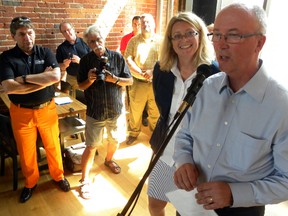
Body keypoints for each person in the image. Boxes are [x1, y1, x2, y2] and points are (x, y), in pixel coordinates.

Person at [173, 3, 288, 216]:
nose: (220, 44)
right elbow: (185, 135)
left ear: (259, 43)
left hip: (242, 209)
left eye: (233, 36)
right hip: (191, 201)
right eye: (216, 34)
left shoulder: (281, 105)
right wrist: (184, 161)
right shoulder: (206, 87)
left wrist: (235, 193)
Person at [148, 12, 218, 216]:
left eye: (190, 33)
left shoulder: (215, 73)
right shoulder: (162, 70)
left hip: (195, 159)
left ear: (200, 36)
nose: (183, 40)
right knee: (155, 205)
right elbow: (163, 111)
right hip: (164, 151)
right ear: (170, 41)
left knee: (187, 211)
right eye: (176, 35)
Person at [0, 16, 70, 203]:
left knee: (53, 146)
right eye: (22, 34)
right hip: (20, 112)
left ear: (34, 33)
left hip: (47, 109)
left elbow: (55, 76)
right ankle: (31, 182)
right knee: (26, 151)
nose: (27, 38)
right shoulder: (6, 58)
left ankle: (58, 176)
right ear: (13, 36)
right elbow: (8, 87)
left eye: (30, 33)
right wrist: (41, 78)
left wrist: (22, 79)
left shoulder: (45, 52)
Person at [78, 25, 133, 199]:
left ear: (104, 38)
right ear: (88, 43)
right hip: (95, 110)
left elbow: (130, 81)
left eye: (98, 39)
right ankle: (84, 180)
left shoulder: (117, 57)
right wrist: (89, 79)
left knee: (115, 140)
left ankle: (108, 160)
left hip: (115, 109)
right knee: (91, 145)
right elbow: (80, 86)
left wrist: (114, 79)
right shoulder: (85, 61)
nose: (96, 44)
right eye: (92, 41)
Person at [125, 13, 161, 145]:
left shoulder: (161, 41)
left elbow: (165, 60)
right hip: (138, 82)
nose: (146, 25)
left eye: (148, 22)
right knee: (135, 111)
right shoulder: (133, 41)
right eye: (143, 22)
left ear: (154, 24)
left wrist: (152, 71)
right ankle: (133, 133)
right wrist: (140, 72)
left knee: (155, 110)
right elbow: (128, 58)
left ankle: (155, 135)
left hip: (155, 82)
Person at [56, 22, 90, 97]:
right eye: (64, 31)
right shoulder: (61, 48)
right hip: (71, 79)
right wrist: (64, 65)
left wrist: (80, 61)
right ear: (62, 34)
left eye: (68, 29)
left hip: (87, 78)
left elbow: (94, 61)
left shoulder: (86, 42)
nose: (67, 33)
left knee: (88, 100)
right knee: (73, 102)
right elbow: (58, 67)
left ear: (73, 29)